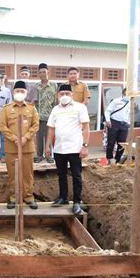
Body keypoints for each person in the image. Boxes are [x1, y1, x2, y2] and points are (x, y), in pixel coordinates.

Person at [45, 84, 90, 215]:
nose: (64, 96)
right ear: (58, 95)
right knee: (61, 174)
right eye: (61, 94)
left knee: (76, 175)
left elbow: (86, 128)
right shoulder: (55, 110)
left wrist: (85, 146)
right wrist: (48, 145)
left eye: (67, 93)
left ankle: (77, 201)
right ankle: (63, 197)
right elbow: (51, 129)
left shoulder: (80, 107)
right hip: (59, 148)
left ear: (72, 95)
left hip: (75, 148)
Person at [0, 80, 39, 209]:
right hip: (12, 148)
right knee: (13, 174)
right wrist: (14, 138)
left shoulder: (32, 109)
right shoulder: (6, 109)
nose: (19, 93)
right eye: (17, 91)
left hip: (27, 148)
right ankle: (14, 197)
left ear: (26, 93)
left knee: (28, 174)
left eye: (22, 91)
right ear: (13, 92)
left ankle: (28, 197)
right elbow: (2, 126)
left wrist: (26, 137)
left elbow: (35, 125)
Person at [34, 63, 56, 163]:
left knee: (49, 136)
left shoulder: (54, 85)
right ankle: (39, 155)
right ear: (38, 74)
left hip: (50, 116)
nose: (42, 74)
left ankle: (48, 155)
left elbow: (56, 102)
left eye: (44, 72)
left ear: (48, 72)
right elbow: (33, 101)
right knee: (39, 137)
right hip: (38, 116)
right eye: (40, 72)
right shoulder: (36, 86)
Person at [104, 88, 130, 165]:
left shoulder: (131, 102)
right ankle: (109, 158)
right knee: (111, 142)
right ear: (123, 94)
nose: (127, 96)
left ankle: (117, 160)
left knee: (122, 144)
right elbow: (108, 111)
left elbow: (129, 114)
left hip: (124, 124)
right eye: (126, 94)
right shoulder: (116, 101)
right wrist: (108, 120)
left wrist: (129, 123)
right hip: (114, 122)